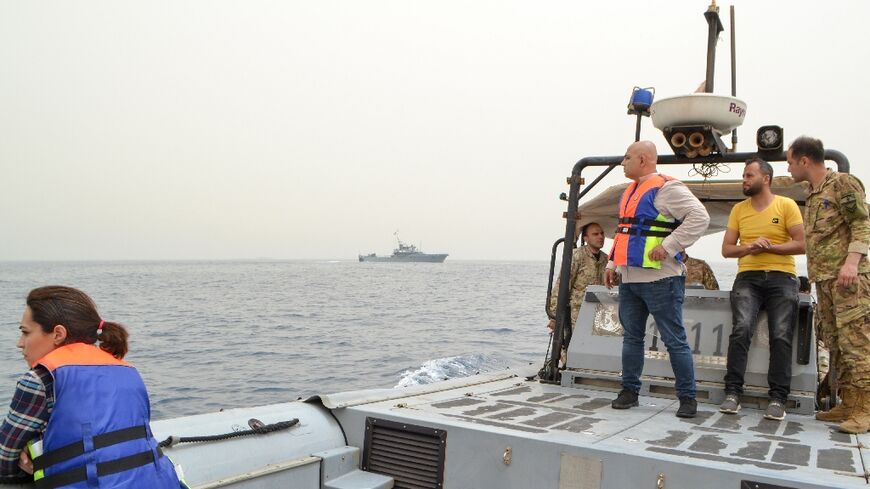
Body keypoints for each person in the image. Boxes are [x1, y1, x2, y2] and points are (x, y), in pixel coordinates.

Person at [0, 286, 183, 487]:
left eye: (25, 333)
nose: (20, 343)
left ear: (58, 334)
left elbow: (4, 460)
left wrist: (33, 459)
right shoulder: (129, 372)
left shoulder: (41, 379)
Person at [604, 140, 710, 418]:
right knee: (632, 338)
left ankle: (687, 398)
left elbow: (700, 217)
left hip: (662, 280)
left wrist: (670, 245)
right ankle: (629, 391)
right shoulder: (629, 191)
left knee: (674, 340)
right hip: (630, 280)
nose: (622, 162)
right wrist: (612, 263)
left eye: (627, 157)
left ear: (643, 160)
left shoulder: (667, 187)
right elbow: (624, 231)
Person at [787, 136, 870, 434]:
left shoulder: (842, 184)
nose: (789, 166)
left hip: (848, 279)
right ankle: (849, 402)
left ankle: (865, 410)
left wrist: (851, 263)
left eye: (790, 161)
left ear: (804, 160)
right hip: (825, 280)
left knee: (856, 343)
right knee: (836, 343)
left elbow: (861, 223)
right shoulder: (813, 193)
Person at [718, 158, 805, 421]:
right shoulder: (739, 210)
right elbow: (727, 249)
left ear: (765, 178)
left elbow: (801, 244)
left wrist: (770, 248)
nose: (744, 180)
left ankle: (778, 398)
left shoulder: (786, 205)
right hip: (748, 277)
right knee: (741, 330)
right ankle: (733, 393)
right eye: (744, 175)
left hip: (782, 277)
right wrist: (750, 247)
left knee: (781, 335)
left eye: (748, 175)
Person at [545, 222, 608, 368]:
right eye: (595, 234)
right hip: (576, 312)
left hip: (599, 312)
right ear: (586, 238)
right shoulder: (577, 256)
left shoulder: (606, 259)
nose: (600, 237)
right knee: (571, 345)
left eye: (602, 233)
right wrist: (554, 316)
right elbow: (562, 286)